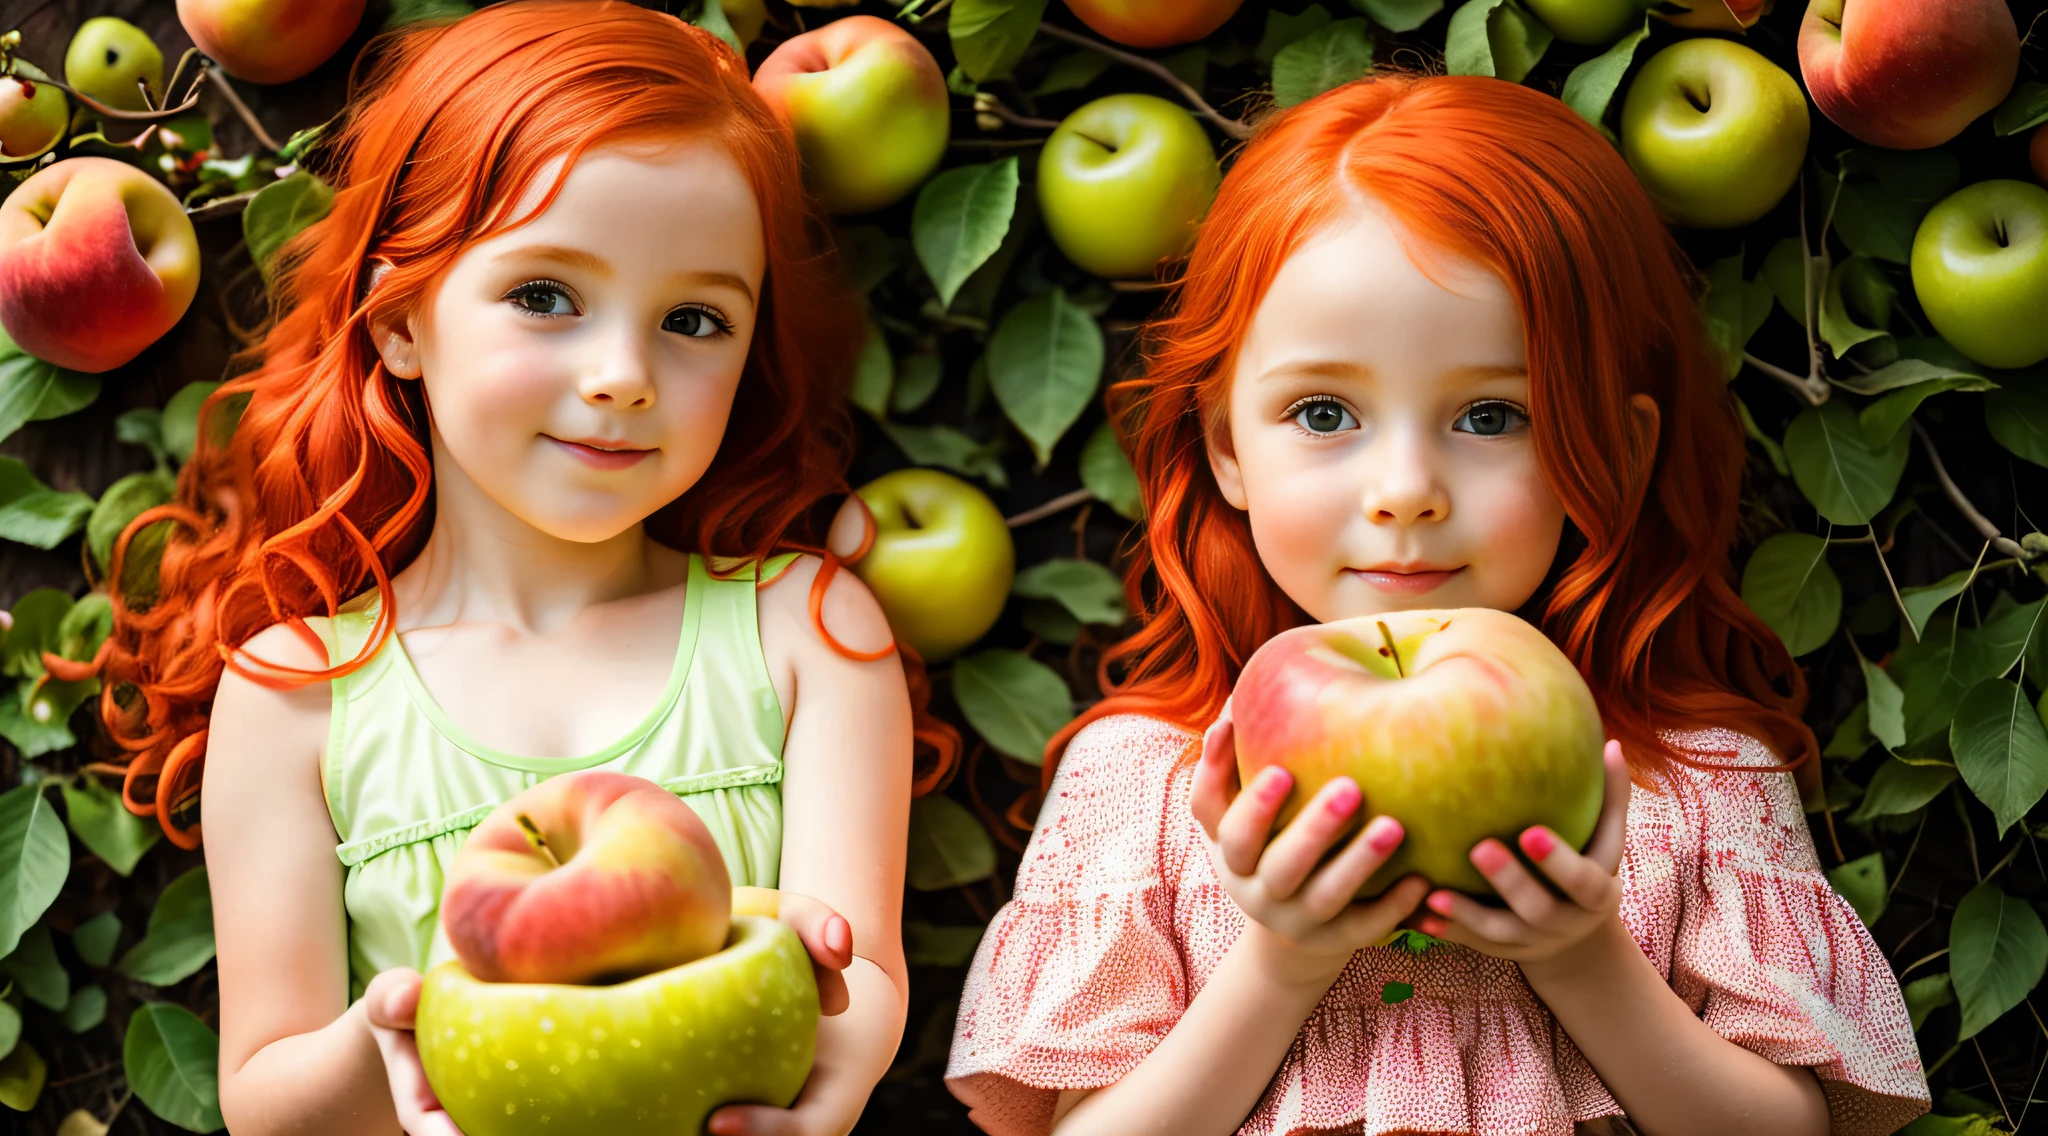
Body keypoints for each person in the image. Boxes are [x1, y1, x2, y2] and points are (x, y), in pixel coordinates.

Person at [945, 74, 1930, 1136]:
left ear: (1619, 446)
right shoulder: (1150, 782)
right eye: (1323, 411)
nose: (1404, 487)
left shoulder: (1690, 779)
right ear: (1226, 443)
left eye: (1491, 413)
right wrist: (1281, 959)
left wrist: (1578, 954)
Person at [84, 4, 945, 1133]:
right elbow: (263, 1093)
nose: (623, 374)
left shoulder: (807, 631)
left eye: (693, 318)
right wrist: (396, 1025)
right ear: (398, 321)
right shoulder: (297, 689)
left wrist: (832, 1082)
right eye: (545, 296)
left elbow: (860, 971)